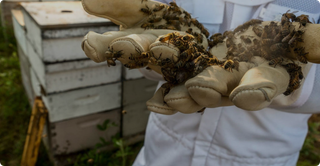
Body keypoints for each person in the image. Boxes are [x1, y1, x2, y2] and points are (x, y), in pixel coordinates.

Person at [133, 0, 320, 166]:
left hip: (262, 152)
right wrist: (157, 60)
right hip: (165, 144)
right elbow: (150, 31)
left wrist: (298, 82)